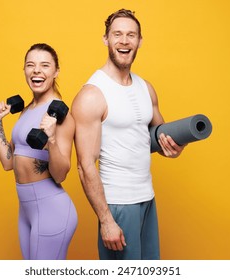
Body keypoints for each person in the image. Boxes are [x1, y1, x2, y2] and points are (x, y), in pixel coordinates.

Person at [71, 9, 185, 260]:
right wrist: (106, 220)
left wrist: (175, 147)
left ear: (140, 41)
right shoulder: (92, 94)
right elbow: (84, 165)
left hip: (147, 198)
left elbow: (159, 137)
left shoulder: (146, 88)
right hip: (118, 204)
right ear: (106, 39)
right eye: (117, 34)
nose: (124, 41)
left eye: (131, 35)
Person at [0, 43, 77, 260]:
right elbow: (9, 163)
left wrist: (53, 139)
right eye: (30, 65)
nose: (36, 70)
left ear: (56, 71)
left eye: (44, 65)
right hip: (26, 210)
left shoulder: (59, 115)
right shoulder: (27, 109)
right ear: (25, 71)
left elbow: (60, 174)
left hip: (51, 209)